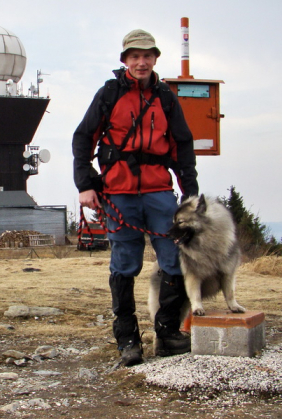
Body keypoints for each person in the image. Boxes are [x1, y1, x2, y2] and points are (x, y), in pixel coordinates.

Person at [72, 29, 199, 366]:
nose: (141, 62)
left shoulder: (167, 98)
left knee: (175, 260)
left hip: (159, 192)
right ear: (125, 60)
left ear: (155, 58)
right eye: (135, 56)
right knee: (125, 264)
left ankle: (168, 334)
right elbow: (83, 138)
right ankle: (128, 341)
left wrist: (191, 195)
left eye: (147, 56)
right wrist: (85, 184)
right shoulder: (109, 94)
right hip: (118, 193)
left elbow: (182, 146)